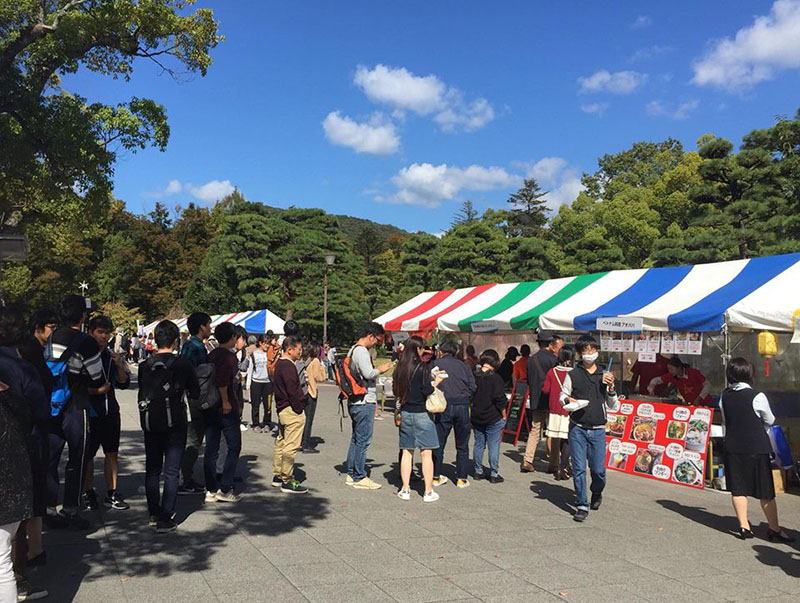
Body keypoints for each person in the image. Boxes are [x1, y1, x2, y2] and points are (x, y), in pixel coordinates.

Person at [0, 306, 49, 601]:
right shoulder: (22, 369)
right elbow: (41, 413)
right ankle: (21, 579)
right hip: (17, 458)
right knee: (3, 558)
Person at [44, 295, 105, 529]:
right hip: (77, 403)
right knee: (77, 457)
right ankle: (71, 509)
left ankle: (48, 508)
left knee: (51, 457)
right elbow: (97, 374)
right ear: (82, 316)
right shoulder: (86, 341)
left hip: (52, 403)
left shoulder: (52, 337)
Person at [719, 357, 793, 542]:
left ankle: (744, 527)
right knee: (765, 490)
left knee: (738, 489)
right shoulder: (757, 396)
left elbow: (726, 421)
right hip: (756, 447)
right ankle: (774, 529)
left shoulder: (725, 395)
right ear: (749, 374)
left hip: (733, 446)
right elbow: (769, 419)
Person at [138, 320, 200, 533]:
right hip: (176, 421)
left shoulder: (145, 365)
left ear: (155, 339)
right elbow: (195, 391)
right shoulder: (182, 364)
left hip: (150, 422)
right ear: (176, 340)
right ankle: (167, 516)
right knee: (171, 470)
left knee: (153, 469)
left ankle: (154, 513)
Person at [559, 335, 618, 522]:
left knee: (598, 469)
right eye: (586, 350)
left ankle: (597, 491)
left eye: (593, 350)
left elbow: (613, 405)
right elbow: (563, 396)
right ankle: (582, 504)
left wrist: (611, 388)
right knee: (578, 468)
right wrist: (569, 400)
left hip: (599, 428)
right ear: (579, 353)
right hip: (577, 426)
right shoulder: (573, 374)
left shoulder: (604, 375)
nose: (590, 353)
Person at [82, 315, 131, 512]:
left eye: (106, 332)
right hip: (90, 412)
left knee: (112, 453)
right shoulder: (83, 356)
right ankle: (88, 492)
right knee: (88, 455)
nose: (104, 336)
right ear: (91, 332)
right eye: (100, 332)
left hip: (111, 411)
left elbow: (123, 383)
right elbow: (75, 387)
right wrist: (95, 391)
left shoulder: (111, 356)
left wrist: (120, 366)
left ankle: (112, 492)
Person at [393, 336, 445, 502]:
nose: (424, 351)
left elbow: (396, 391)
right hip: (422, 413)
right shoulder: (422, 368)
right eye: (422, 348)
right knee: (426, 453)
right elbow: (427, 390)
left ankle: (405, 489)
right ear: (417, 349)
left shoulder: (399, 368)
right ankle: (428, 491)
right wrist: (436, 382)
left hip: (406, 412)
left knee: (407, 451)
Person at [344, 322, 392, 490]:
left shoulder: (352, 349)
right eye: (376, 340)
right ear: (370, 336)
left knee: (356, 439)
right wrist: (381, 369)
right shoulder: (362, 351)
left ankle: (351, 473)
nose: (376, 344)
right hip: (364, 400)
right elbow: (368, 373)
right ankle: (359, 476)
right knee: (363, 440)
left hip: (355, 399)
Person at [203, 322, 242, 503]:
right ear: (232, 337)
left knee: (211, 448)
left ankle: (210, 489)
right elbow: (222, 382)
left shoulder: (211, 354)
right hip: (225, 406)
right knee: (234, 446)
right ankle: (225, 488)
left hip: (210, 406)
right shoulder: (229, 357)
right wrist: (226, 401)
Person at [431, 340, 476, 488]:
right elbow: (472, 386)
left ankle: (436, 476)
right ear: (456, 352)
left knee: (439, 442)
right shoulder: (464, 366)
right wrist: (465, 397)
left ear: (441, 352)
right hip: (462, 405)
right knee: (462, 444)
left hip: (443, 405)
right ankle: (462, 478)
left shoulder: (435, 364)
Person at [178, 311, 212, 495]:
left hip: (194, 397)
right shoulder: (194, 347)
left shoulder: (194, 345)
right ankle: (186, 478)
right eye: (209, 324)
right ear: (202, 327)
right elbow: (187, 373)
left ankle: (187, 477)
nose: (210, 328)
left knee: (195, 438)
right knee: (193, 439)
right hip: (194, 399)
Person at [522, 332, 564, 473]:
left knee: (535, 430)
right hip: (551, 399)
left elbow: (528, 380)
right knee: (551, 431)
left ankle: (527, 460)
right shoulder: (554, 359)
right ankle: (553, 463)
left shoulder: (531, 360)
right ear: (551, 344)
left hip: (536, 399)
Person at [271, 336, 309, 494]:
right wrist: (299, 407)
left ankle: (278, 475)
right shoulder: (288, 366)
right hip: (291, 409)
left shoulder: (279, 364)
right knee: (290, 445)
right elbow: (292, 390)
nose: (300, 352)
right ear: (290, 349)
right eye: (299, 349)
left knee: (281, 442)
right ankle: (286, 479)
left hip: (282, 408)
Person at [470, 349, 508, 483]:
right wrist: (504, 415)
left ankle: (478, 471)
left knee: (479, 444)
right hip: (493, 417)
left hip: (476, 416)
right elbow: (500, 399)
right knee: (494, 445)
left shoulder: (474, 376)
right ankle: (493, 473)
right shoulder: (496, 378)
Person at [543, 347, 575, 480]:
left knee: (556, 438)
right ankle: (564, 467)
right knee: (566, 439)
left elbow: (545, 390)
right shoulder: (574, 373)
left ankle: (555, 465)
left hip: (555, 409)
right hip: (569, 410)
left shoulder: (552, 372)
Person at [647, 356, 712, 406]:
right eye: (668, 369)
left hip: (705, 403)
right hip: (690, 404)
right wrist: (651, 386)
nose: (670, 371)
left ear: (679, 368)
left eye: (672, 369)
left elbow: (708, 385)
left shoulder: (693, 372)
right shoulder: (671, 376)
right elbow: (656, 380)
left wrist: (699, 398)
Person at [300, 341, 326, 453]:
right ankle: (305, 444)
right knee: (309, 420)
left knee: (302, 418)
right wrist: (322, 368)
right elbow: (319, 377)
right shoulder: (315, 361)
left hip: (304, 391)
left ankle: (300, 441)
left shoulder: (306, 360)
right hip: (311, 391)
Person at [246, 335, 272, 433]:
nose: (267, 345)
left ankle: (267, 423)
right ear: (260, 343)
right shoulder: (254, 354)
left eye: (268, 343)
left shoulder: (269, 354)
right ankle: (256, 424)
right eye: (265, 343)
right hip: (256, 381)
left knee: (268, 405)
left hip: (268, 382)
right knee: (255, 405)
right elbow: (250, 370)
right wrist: (248, 384)